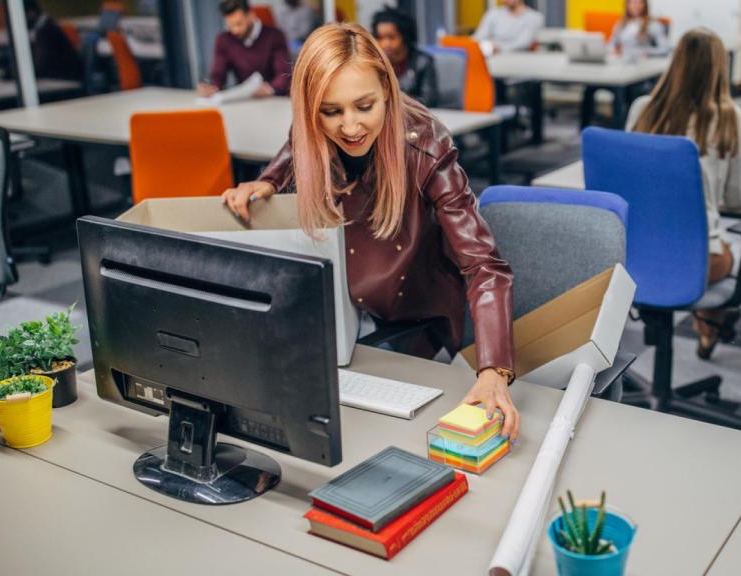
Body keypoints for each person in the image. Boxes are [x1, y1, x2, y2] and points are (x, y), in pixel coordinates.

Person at [219, 24, 521, 439]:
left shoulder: (426, 147)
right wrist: (270, 180)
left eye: (365, 106)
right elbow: (298, 146)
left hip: (415, 315)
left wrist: (493, 370)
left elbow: (485, 266)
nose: (350, 127)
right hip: (348, 308)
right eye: (330, 111)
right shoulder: (313, 129)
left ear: (387, 89)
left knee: (383, 434)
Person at [626, 28, 741, 358]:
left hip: (630, 255)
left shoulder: (642, 109)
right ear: (719, 68)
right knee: (728, 247)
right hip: (696, 262)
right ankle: (709, 327)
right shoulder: (730, 118)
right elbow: (736, 199)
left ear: (674, 63)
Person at [198, 0, 292, 98]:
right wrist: (211, 87)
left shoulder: (275, 36)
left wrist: (270, 89)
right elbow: (218, 74)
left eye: (238, 24)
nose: (235, 30)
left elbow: (284, 74)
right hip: (246, 100)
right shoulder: (224, 40)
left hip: (273, 100)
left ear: (250, 16)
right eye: (230, 26)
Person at [372, 6, 439, 107]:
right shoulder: (376, 62)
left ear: (405, 35)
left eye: (391, 37)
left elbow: (429, 100)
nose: (386, 43)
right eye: (380, 38)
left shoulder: (423, 62)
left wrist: (396, 100)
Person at [24, 0, 83, 82]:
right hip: (61, 77)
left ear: (31, 13)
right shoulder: (46, 26)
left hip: (65, 80)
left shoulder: (46, 30)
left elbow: (42, 64)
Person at [473, 0, 543, 54]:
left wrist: (497, 47)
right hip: (492, 59)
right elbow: (477, 38)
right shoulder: (493, 14)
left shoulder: (534, 17)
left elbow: (524, 43)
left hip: (520, 60)